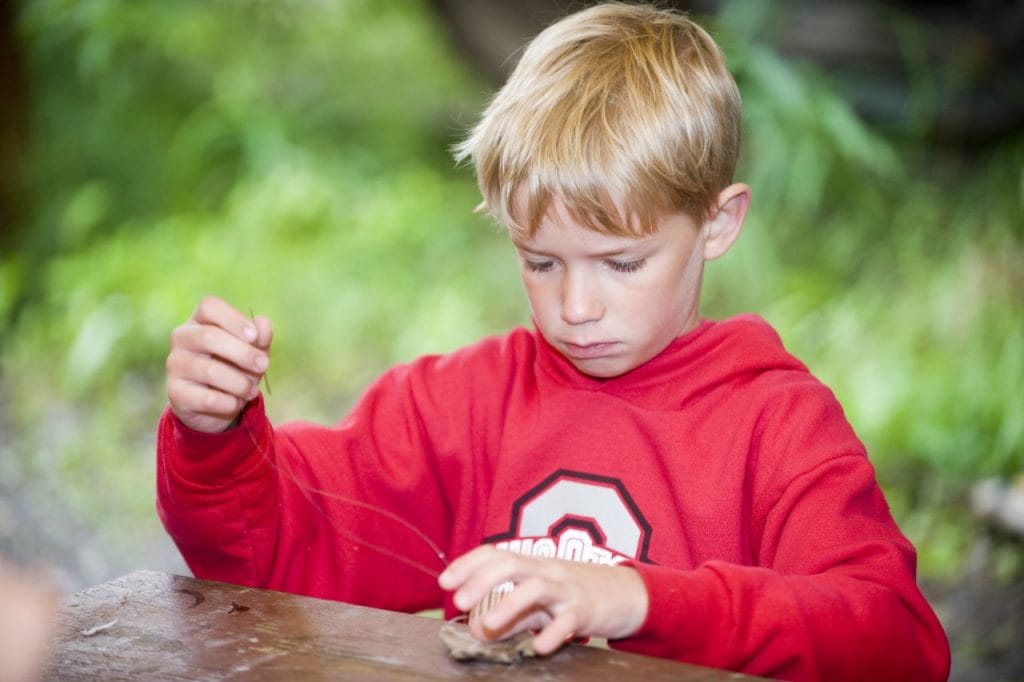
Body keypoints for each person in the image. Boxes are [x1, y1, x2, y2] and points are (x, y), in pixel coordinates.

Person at [156, 3, 950, 679]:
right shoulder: (457, 407)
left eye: (622, 262)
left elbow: (894, 640)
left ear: (718, 223)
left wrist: (641, 599)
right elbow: (279, 557)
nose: (575, 308)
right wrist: (215, 434)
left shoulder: (777, 425)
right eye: (540, 261)